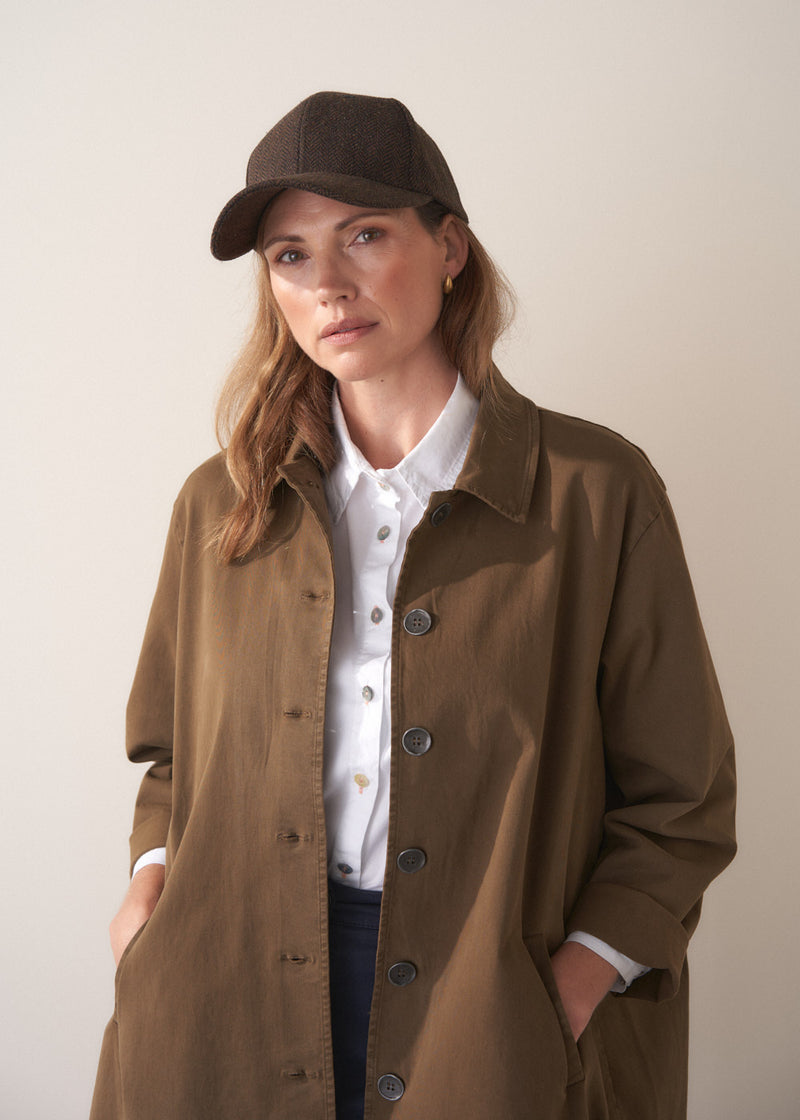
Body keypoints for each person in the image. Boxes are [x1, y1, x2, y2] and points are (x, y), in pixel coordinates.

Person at [91, 92, 736, 1120]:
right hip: (223, 995)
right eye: (290, 255)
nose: (328, 284)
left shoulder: (594, 492)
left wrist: (570, 983)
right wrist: (149, 892)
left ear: (449, 249)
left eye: (363, 235)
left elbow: (681, 795)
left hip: (489, 1000)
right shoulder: (224, 503)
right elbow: (171, 752)